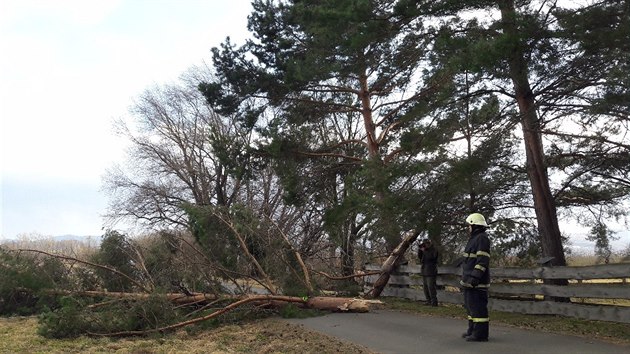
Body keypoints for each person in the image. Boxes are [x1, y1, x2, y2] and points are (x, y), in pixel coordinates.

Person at [460, 213, 491, 342]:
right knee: (470, 307)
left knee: (478, 309)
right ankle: (472, 330)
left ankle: (480, 334)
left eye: (469, 225)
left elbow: (482, 260)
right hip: (469, 281)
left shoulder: (482, 239)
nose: (468, 228)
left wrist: (475, 277)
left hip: (477, 282)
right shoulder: (474, 239)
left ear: (474, 225)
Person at [418, 238, 439, 306]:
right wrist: (420, 250)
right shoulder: (424, 251)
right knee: (425, 287)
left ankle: (434, 302)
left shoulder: (433, 250)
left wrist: (425, 251)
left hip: (431, 271)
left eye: (426, 244)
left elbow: (432, 258)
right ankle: (428, 300)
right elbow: (420, 257)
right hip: (424, 270)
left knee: (431, 287)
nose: (425, 245)